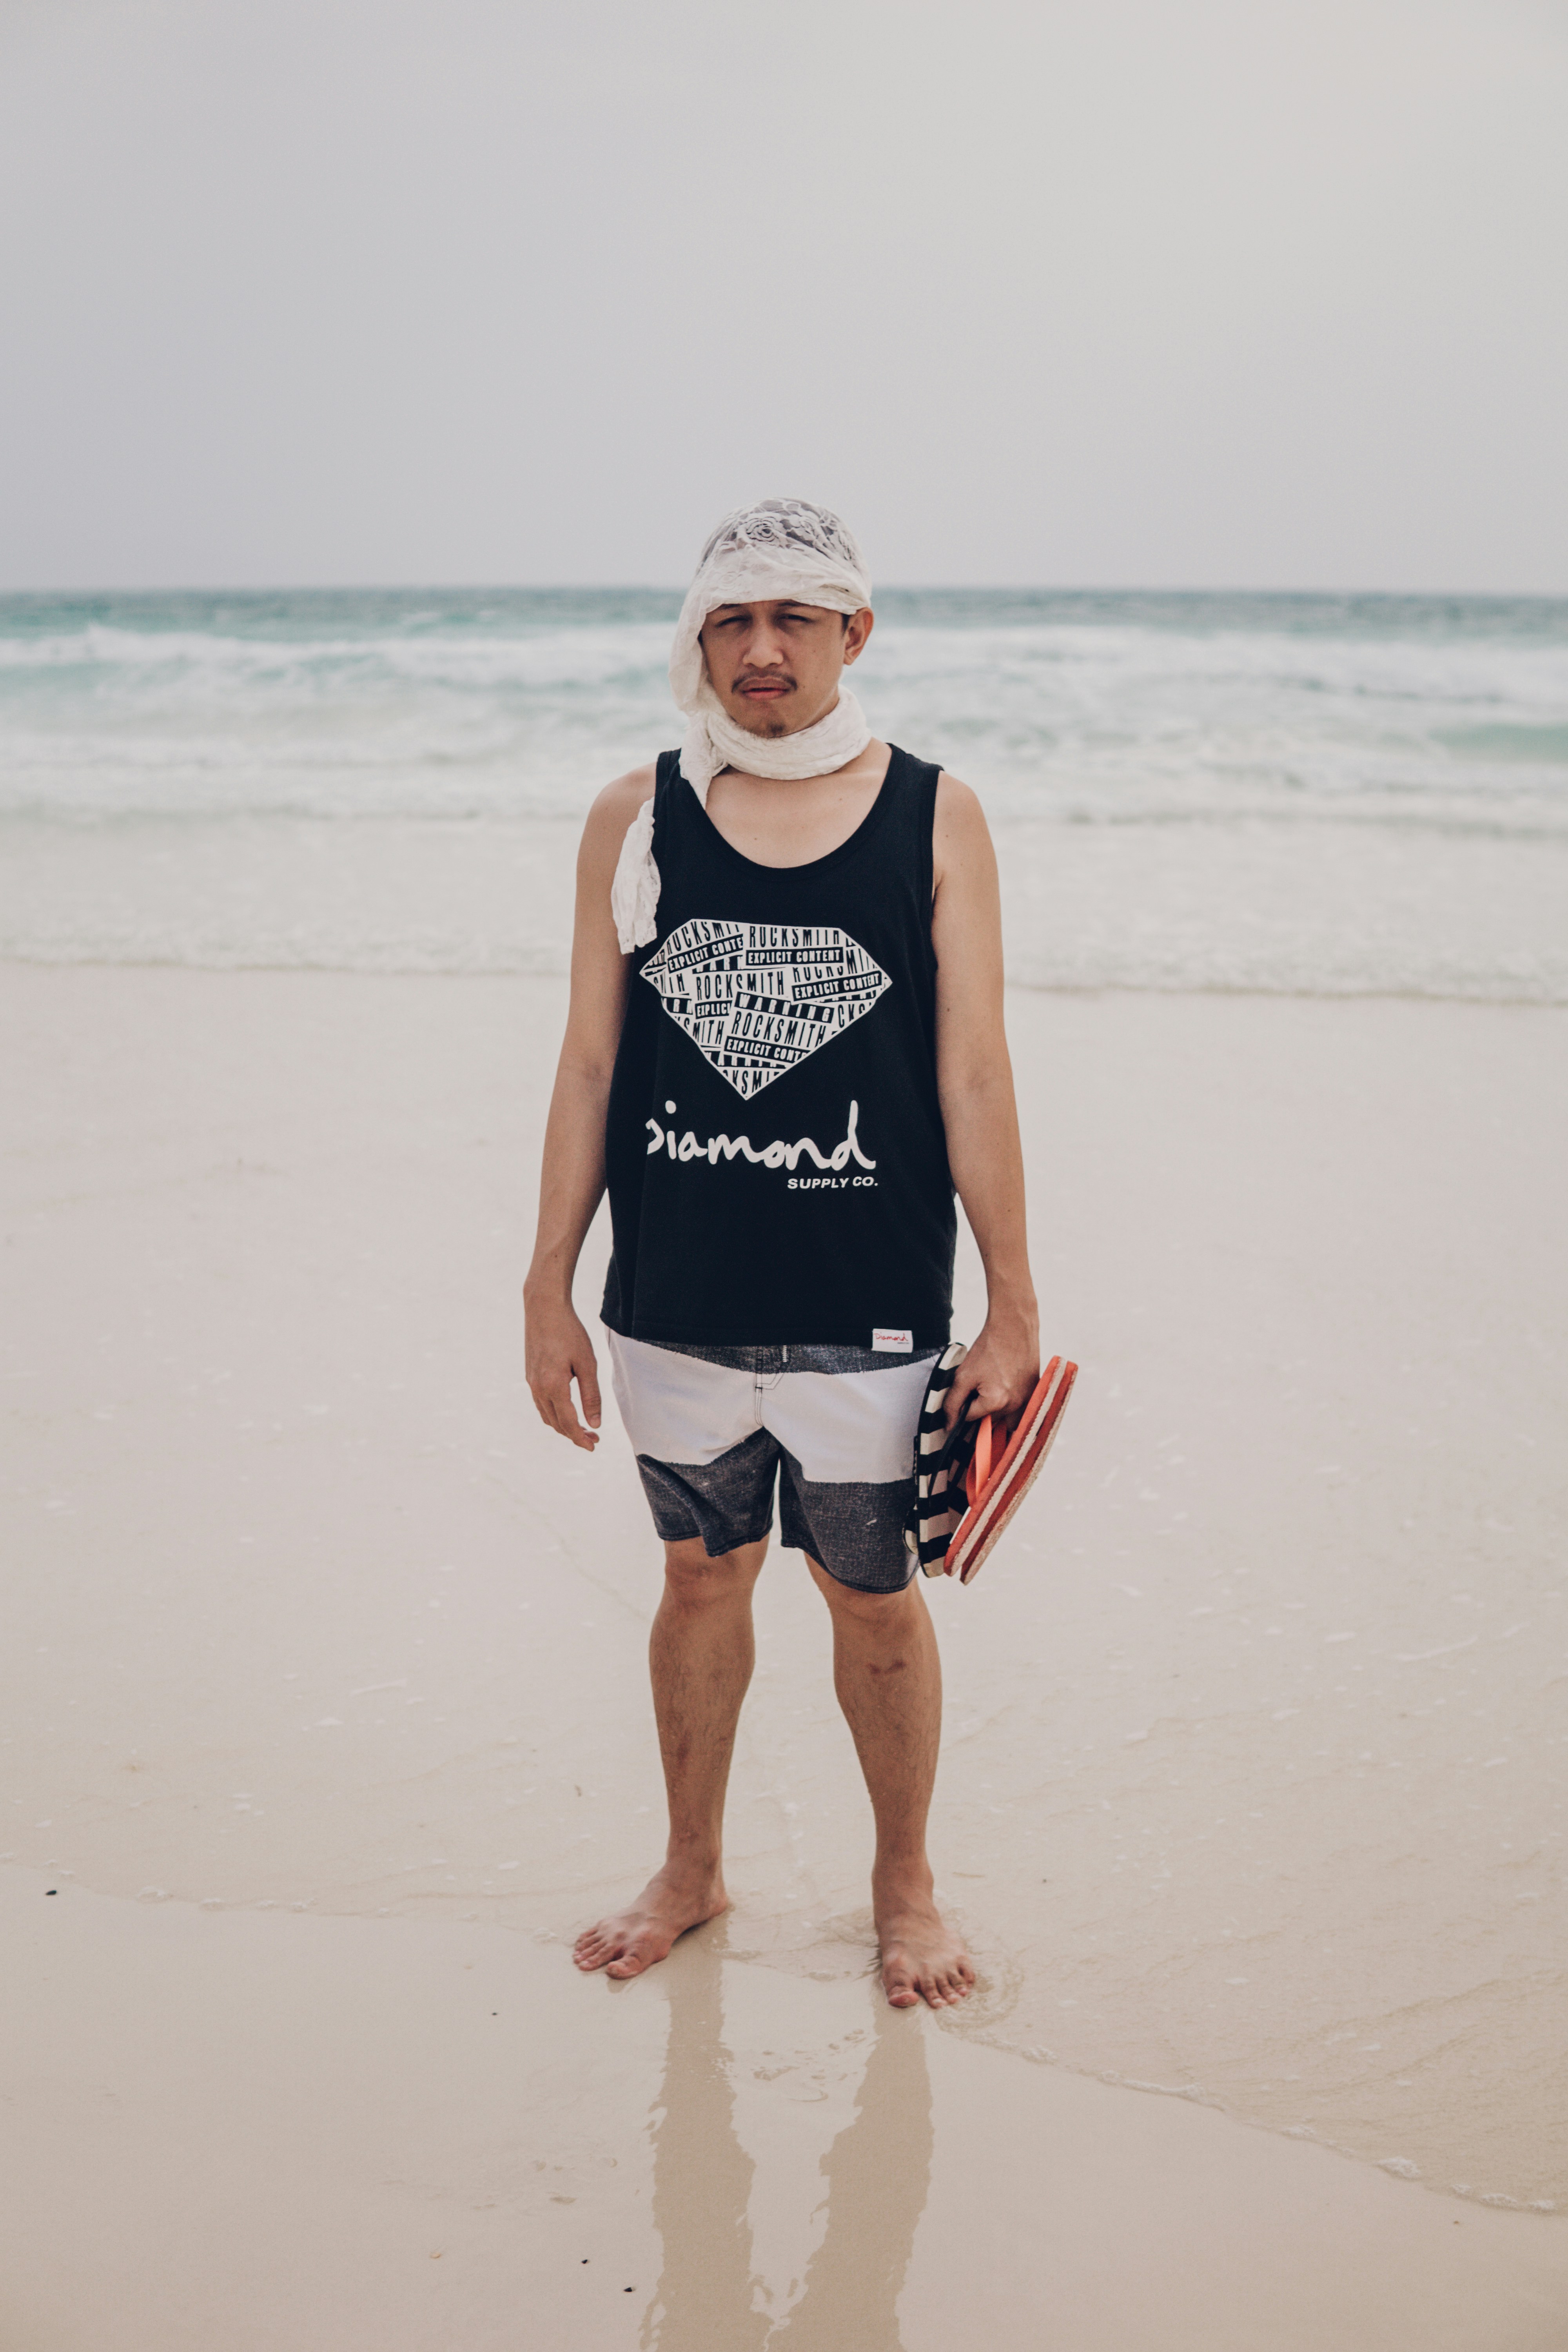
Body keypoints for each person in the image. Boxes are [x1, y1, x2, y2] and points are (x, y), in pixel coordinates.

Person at [524, 499, 1038, 2011]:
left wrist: (1014, 1304)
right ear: (698, 640)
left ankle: (905, 1888)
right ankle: (692, 1866)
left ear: (853, 633)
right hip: (674, 1303)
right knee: (699, 1581)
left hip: (868, 1302)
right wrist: (545, 1283)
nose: (759, 651)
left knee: (875, 1595)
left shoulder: (935, 814)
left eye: (793, 620)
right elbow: (584, 1067)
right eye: (731, 622)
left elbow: (977, 1073)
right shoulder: (638, 817)